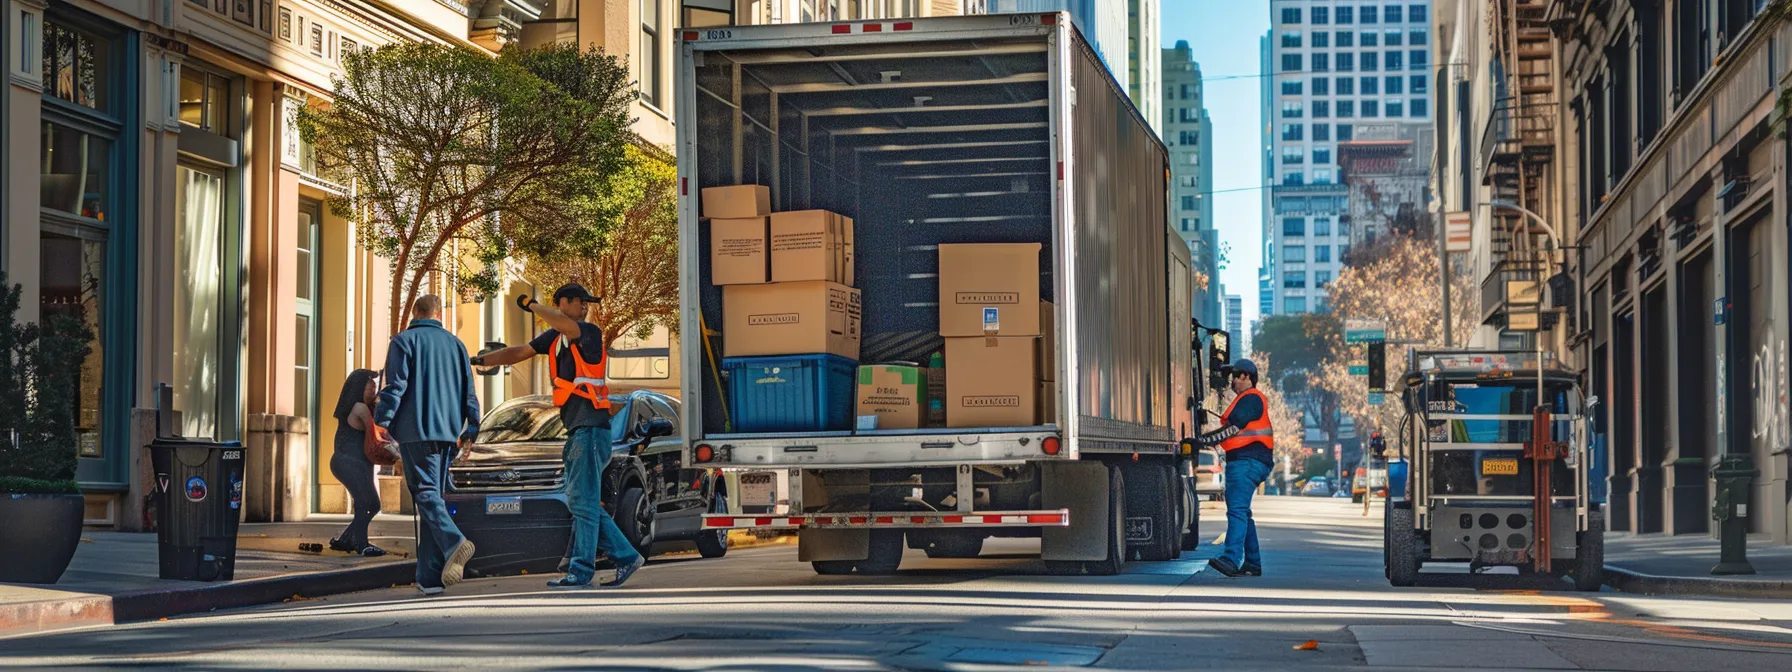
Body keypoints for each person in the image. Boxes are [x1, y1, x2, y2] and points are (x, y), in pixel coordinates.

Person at [471, 283, 646, 589]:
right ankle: (626, 556)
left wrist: (531, 305)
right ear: (565, 302)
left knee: (583, 503)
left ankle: (581, 571)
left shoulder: (589, 333)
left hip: (590, 431)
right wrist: (480, 361)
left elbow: (565, 324)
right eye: (582, 302)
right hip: (579, 432)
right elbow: (518, 352)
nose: (586, 308)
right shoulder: (555, 338)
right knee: (582, 502)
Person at [375, 295, 482, 595]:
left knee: (424, 494)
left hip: (416, 429)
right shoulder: (457, 345)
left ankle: (455, 542)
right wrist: (472, 428)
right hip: (449, 432)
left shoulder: (403, 342)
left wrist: (381, 420)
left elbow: (395, 386)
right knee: (433, 499)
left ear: (415, 312)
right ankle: (430, 577)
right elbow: (469, 392)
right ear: (438, 314)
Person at [1198, 359, 1274, 577]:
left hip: (1247, 462)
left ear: (1247, 377)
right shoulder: (1247, 400)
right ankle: (1252, 562)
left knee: (1237, 511)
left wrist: (1202, 441)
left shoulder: (1252, 399)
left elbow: (1232, 429)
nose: (1232, 382)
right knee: (1243, 512)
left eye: (1235, 378)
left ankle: (1231, 558)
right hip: (1249, 461)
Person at [328, 368, 393, 557]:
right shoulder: (360, 408)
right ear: (357, 388)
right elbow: (377, 434)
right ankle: (361, 544)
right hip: (349, 462)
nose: (372, 390)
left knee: (369, 503)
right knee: (368, 502)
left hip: (354, 463)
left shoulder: (359, 407)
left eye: (374, 387)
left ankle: (346, 540)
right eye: (369, 386)